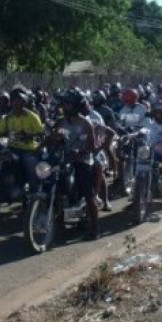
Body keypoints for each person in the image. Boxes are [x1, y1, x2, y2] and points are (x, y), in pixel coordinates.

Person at [53, 90, 98, 239]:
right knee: (52, 182)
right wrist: (41, 147)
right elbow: (57, 137)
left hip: (82, 161)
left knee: (87, 192)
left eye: (69, 104)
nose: (65, 107)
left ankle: (94, 229)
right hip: (65, 159)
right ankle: (59, 221)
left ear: (76, 106)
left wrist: (81, 152)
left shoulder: (86, 123)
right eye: (65, 104)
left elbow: (92, 146)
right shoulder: (61, 122)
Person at [0, 87, 46, 194]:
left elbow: (41, 134)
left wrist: (29, 136)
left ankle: (34, 197)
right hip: (12, 149)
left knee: (30, 168)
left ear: (24, 102)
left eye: (20, 101)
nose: (17, 103)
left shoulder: (32, 117)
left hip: (28, 151)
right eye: (14, 101)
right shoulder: (7, 118)